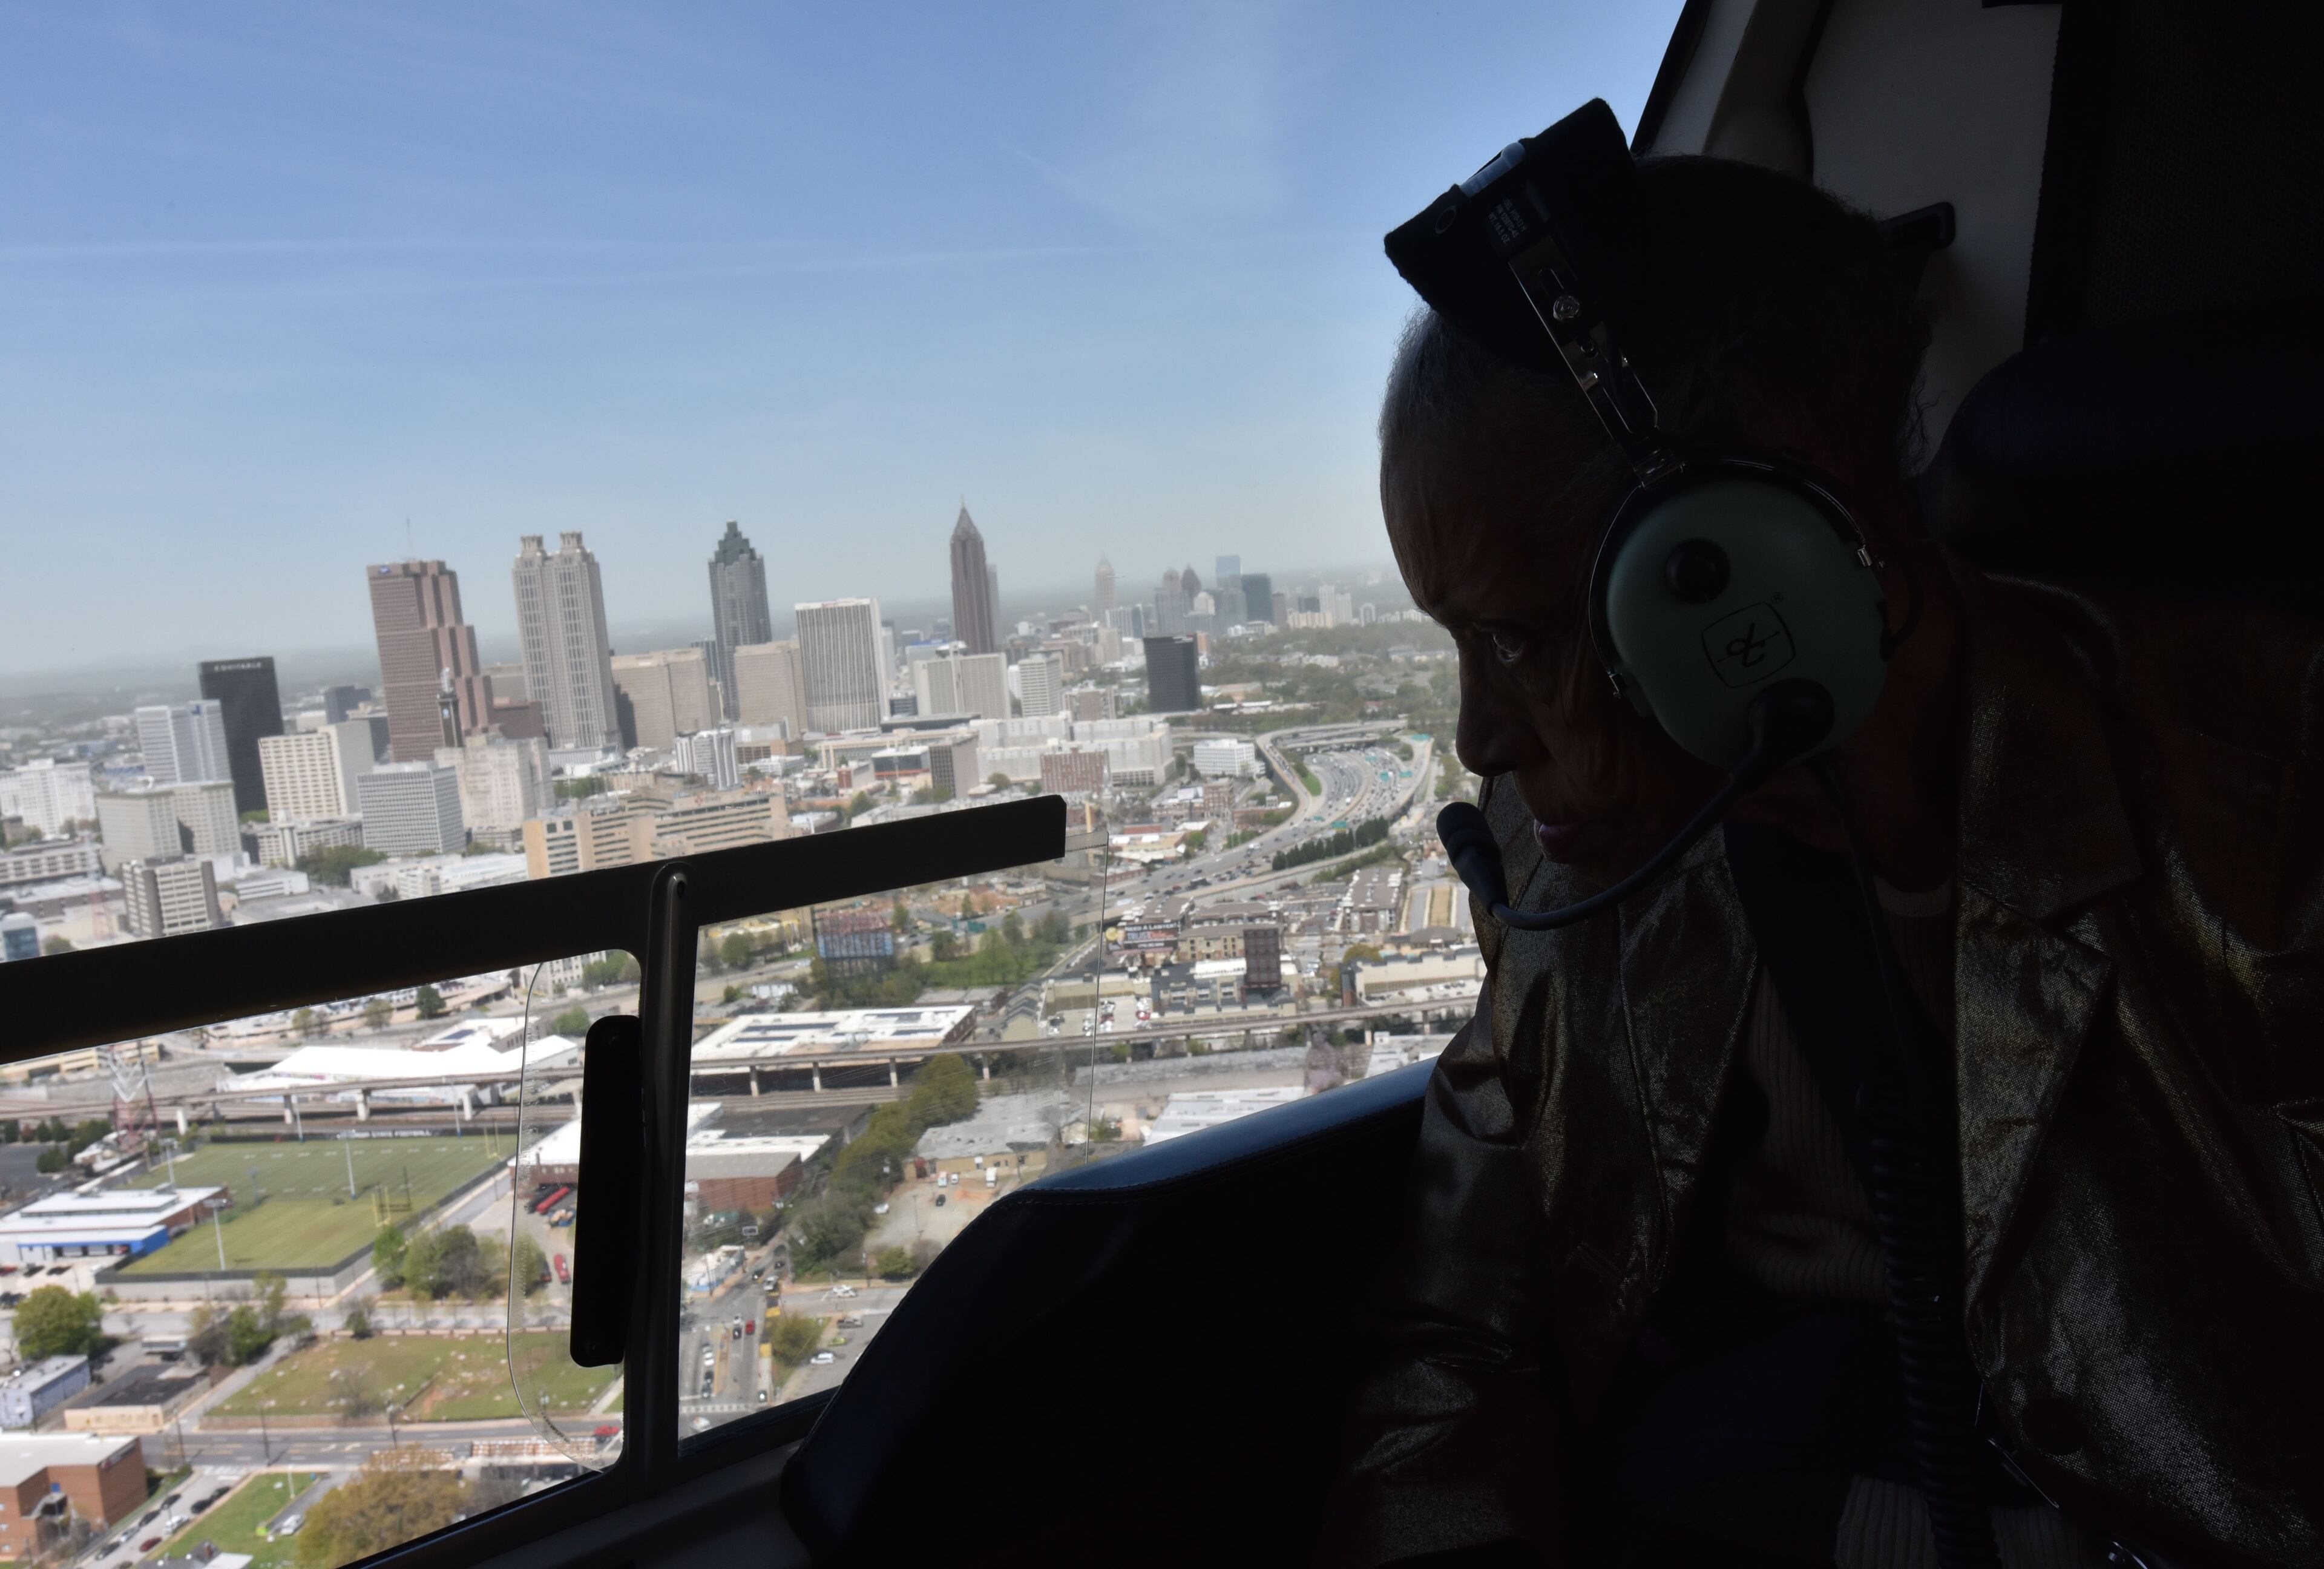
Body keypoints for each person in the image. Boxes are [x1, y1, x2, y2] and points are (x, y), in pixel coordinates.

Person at [1315, 148, 2323, 1568]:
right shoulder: (1582, 879)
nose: (1483, 741)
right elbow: (1467, 1328)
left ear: (1755, 550)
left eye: (1525, 640)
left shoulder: (2269, 819)